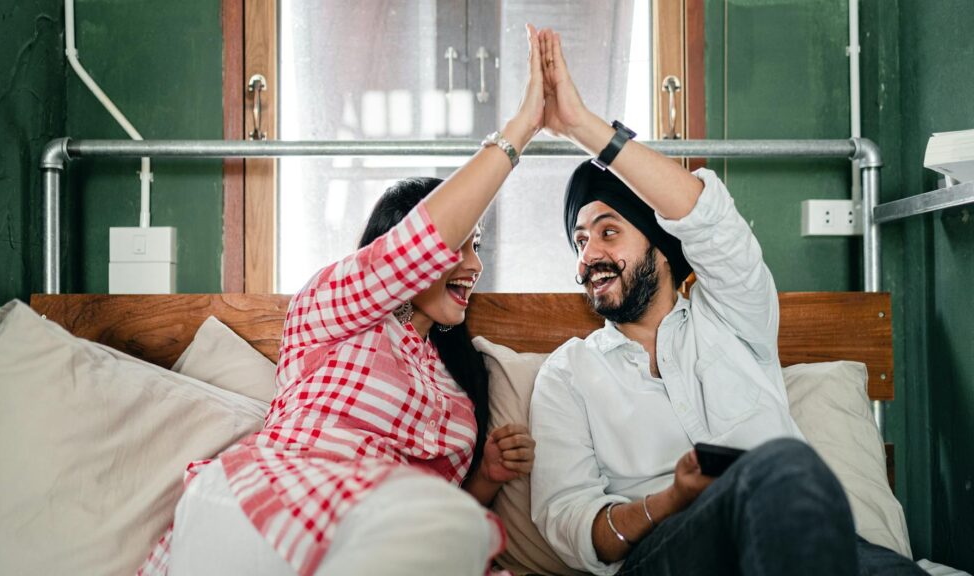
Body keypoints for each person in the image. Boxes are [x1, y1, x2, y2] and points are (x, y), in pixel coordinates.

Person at [139, 23, 547, 576]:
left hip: (379, 538)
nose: (475, 266)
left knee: (444, 534)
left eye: (478, 248)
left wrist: (486, 477)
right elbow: (410, 250)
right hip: (269, 503)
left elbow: (438, 522)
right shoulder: (331, 309)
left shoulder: (459, 388)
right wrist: (521, 130)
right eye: (461, 246)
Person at [528, 29, 924, 575]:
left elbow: (709, 220)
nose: (588, 255)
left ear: (661, 246)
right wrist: (672, 500)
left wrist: (584, 128)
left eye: (608, 232)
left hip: (799, 533)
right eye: (579, 241)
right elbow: (573, 524)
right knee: (783, 464)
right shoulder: (568, 374)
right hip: (670, 552)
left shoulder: (736, 315)